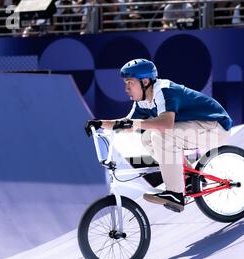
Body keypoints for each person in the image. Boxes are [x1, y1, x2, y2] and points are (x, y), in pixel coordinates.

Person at [85, 59, 232, 212]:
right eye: (125, 83)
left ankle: (176, 194)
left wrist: (135, 124)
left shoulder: (164, 90)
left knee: (161, 136)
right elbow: (128, 124)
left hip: (215, 127)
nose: (126, 89)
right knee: (147, 137)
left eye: (130, 83)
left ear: (145, 81)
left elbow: (166, 123)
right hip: (198, 127)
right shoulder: (143, 101)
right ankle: (189, 178)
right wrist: (100, 123)